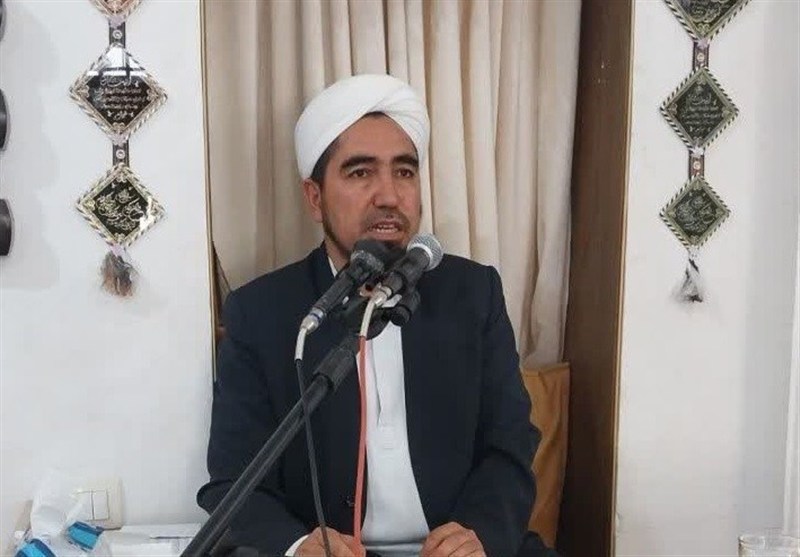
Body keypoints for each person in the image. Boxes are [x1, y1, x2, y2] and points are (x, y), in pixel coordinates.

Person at [198, 74, 541, 557]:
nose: (389, 196)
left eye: (404, 172)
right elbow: (233, 481)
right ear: (314, 197)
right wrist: (297, 546)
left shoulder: (472, 293)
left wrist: (480, 533)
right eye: (360, 173)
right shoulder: (263, 314)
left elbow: (510, 444)